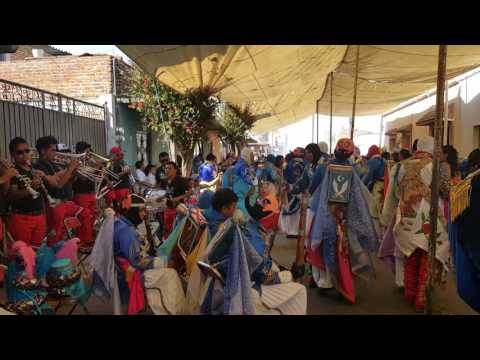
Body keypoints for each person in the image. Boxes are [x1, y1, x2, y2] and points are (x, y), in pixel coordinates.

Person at [306, 138, 379, 303]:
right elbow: (359, 195)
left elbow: (314, 189)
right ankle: (343, 284)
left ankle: (324, 283)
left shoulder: (324, 167)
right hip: (346, 218)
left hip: (325, 216)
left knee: (323, 246)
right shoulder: (354, 170)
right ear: (351, 153)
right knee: (344, 251)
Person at [381, 136, 449, 312]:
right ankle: (422, 299)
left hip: (404, 218)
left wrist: (386, 217)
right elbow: (446, 190)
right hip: (427, 218)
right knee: (428, 257)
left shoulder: (399, 166)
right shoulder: (436, 167)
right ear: (433, 148)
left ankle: (410, 294)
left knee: (410, 255)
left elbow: (394, 194)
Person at [33, 136, 91, 247]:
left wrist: (73, 172)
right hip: (54, 205)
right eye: (53, 150)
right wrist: (69, 169)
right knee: (55, 234)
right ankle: (55, 257)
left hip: (65, 202)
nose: (56, 153)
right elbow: (58, 185)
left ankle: (82, 243)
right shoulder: (38, 166)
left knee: (85, 213)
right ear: (43, 151)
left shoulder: (54, 164)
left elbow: (67, 181)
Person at [450, 148, 480, 312]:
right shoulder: (468, 182)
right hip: (470, 240)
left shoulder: (468, 182)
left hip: (470, 241)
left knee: (466, 287)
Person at [72, 141, 96, 248]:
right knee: (84, 219)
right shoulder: (75, 163)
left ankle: (89, 239)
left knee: (91, 217)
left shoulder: (87, 163)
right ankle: (82, 241)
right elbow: (83, 177)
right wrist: (94, 166)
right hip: (81, 194)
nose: (89, 155)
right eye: (87, 152)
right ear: (79, 152)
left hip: (91, 193)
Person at [163, 161, 192, 238]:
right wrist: (161, 197)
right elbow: (168, 193)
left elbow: (190, 192)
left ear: (175, 170)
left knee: (176, 231)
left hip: (178, 209)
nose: (167, 170)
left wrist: (178, 198)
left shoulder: (180, 180)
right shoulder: (166, 180)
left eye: (170, 168)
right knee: (167, 229)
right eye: (166, 168)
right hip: (168, 208)